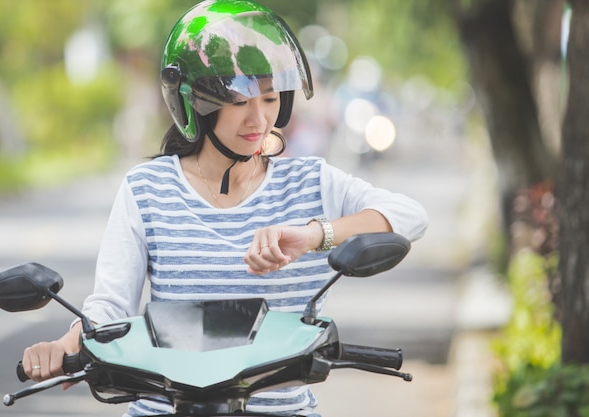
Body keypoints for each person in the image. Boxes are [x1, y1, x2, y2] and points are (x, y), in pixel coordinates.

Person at [21, 1, 428, 416]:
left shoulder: (310, 182)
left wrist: (312, 235)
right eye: (240, 101)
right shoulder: (147, 189)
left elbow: (411, 216)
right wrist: (64, 345)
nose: (259, 119)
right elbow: (109, 307)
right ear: (197, 104)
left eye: (270, 99)